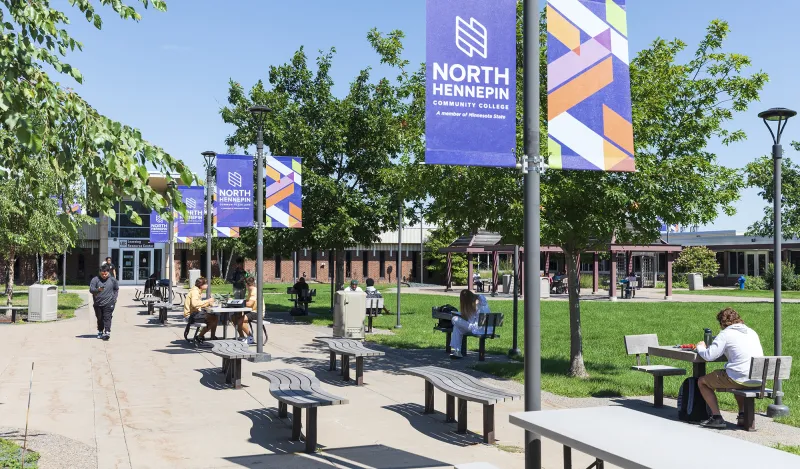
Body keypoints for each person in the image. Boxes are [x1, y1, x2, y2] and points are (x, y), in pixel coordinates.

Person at [696, 307, 765, 429]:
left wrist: (700, 347)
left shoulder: (726, 334)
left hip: (738, 378)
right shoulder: (752, 332)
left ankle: (716, 417)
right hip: (757, 379)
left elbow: (709, 356)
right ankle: (743, 415)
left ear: (722, 323)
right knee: (736, 378)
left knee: (702, 382)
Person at [450, 289, 490, 359]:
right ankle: (457, 351)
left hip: (477, 329)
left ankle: (457, 351)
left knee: (454, 319)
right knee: (457, 327)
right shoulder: (483, 303)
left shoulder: (476, 306)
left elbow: (471, 321)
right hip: (488, 329)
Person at [90, 265, 119, 340]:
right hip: (98, 303)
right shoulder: (95, 280)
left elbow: (116, 289)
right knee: (100, 318)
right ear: (100, 272)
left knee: (107, 317)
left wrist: (114, 298)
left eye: (105, 274)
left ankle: (107, 332)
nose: (104, 276)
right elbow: (91, 289)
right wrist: (97, 290)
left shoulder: (113, 280)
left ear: (108, 272)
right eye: (102, 274)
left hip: (109, 302)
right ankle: (100, 331)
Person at [232, 276, 258, 345]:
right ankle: (242, 336)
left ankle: (250, 337)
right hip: (250, 311)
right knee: (234, 317)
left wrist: (239, 303)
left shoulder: (254, 291)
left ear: (246, 284)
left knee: (241, 319)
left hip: (256, 312)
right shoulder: (250, 290)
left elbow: (249, 303)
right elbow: (247, 301)